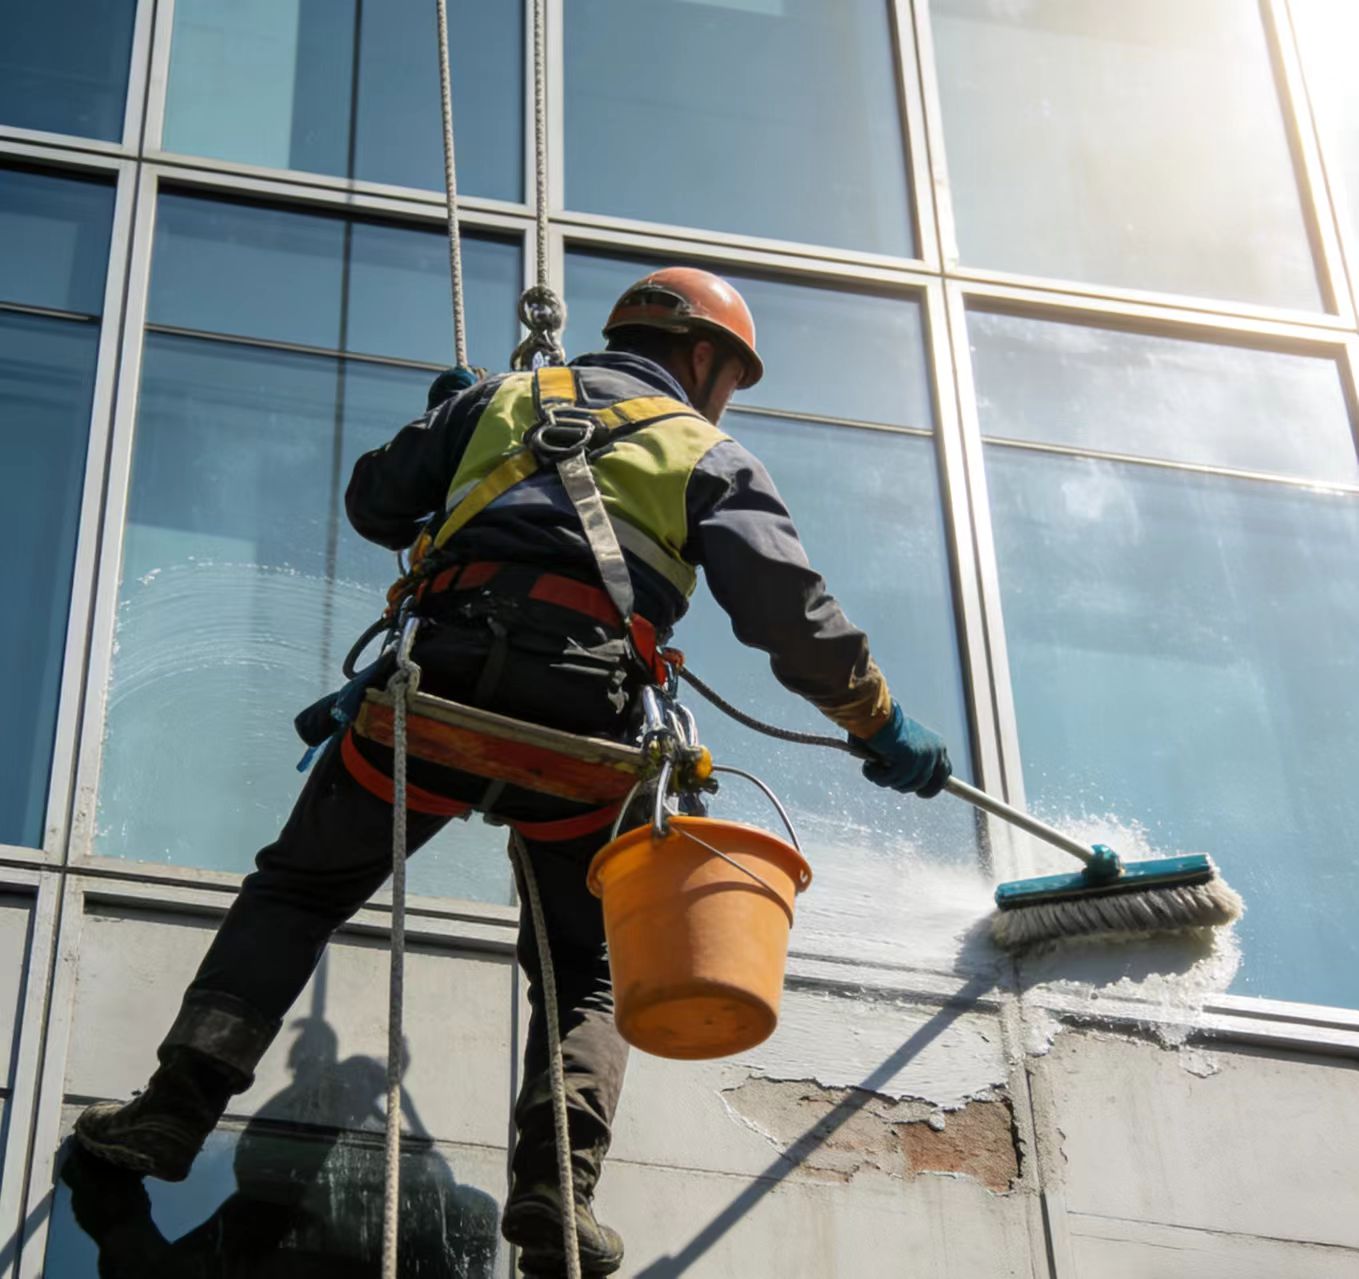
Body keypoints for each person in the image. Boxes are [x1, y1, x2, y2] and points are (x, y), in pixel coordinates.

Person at [74, 267, 952, 1277]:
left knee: (300, 888)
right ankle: (555, 1194)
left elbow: (373, 503)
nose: (724, 397)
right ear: (703, 358)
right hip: (582, 734)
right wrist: (877, 721)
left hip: (435, 702)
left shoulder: (501, 400)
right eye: (728, 376)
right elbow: (792, 620)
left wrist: (449, 419)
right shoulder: (711, 453)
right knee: (584, 968)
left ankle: (172, 1115)